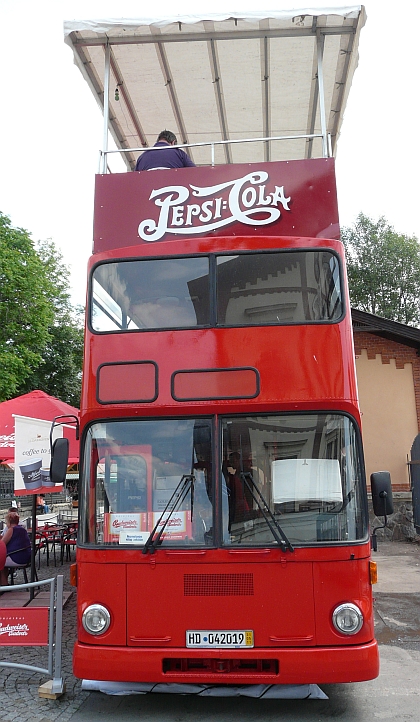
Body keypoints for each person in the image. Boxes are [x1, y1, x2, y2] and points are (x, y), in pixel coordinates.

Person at [0, 511, 31, 586]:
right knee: (3, 560)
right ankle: (3, 582)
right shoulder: (22, 529)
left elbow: (2, 543)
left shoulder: (11, 529)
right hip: (26, 557)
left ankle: (4, 584)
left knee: (1, 561)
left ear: (9, 521)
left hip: (17, 558)